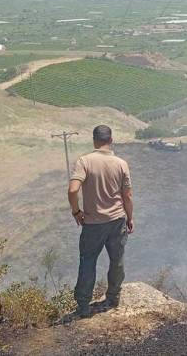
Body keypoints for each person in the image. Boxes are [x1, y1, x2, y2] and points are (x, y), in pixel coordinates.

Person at [68, 125, 134, 318]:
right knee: (117, 261)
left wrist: (76, 212)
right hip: (116, 220)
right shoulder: (121, 163)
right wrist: (130, 218)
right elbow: (127, 196)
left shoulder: (84, 161)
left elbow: (72, 190)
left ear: (94, 140)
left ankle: (83, 306)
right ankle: (113, 298)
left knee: (88, 262)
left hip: (92, 224)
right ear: (111, 140)